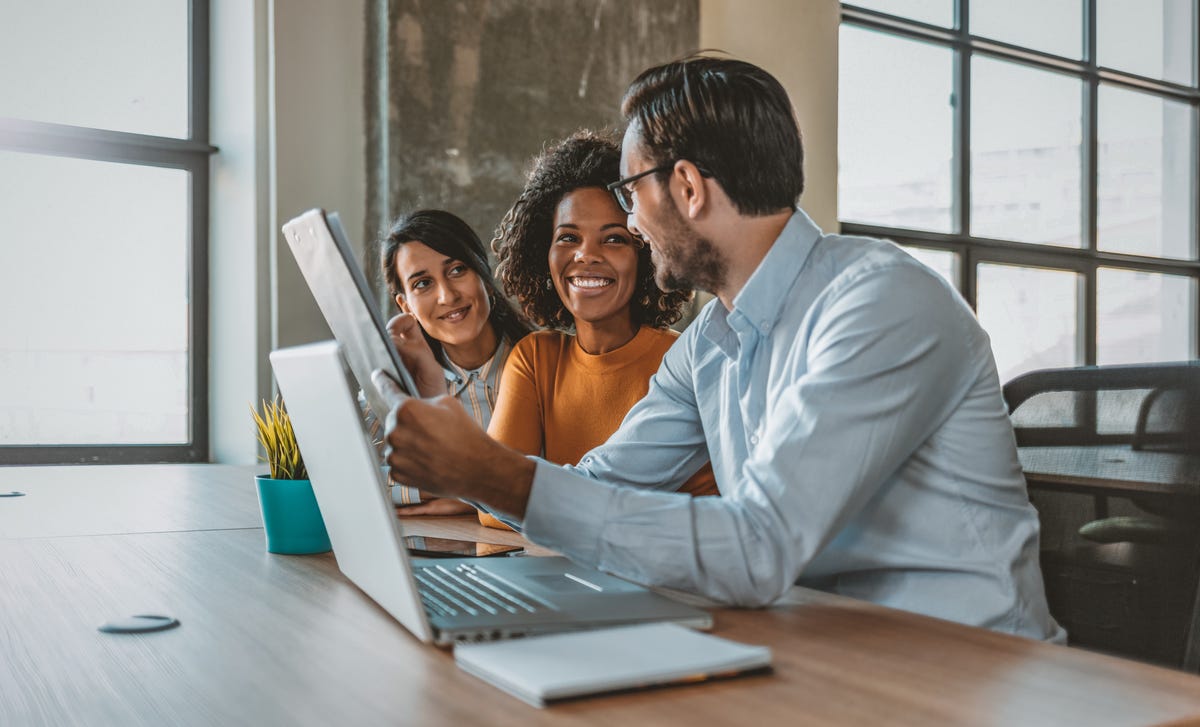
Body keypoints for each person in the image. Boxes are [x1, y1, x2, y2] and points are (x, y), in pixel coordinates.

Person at [376, 55, 1064, 641]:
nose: (631, 221)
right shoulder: (709, 341)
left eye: (628, 192)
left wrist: (493, 475)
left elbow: (757, 546)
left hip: (968, 666)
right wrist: (464, 450)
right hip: (820, 645)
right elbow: (592, 487)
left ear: (687, 187)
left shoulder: (881, 302)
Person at [476, 130, 718, 529]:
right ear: (543, 252)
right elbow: (492, 509)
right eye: (568, 237)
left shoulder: (682, 364)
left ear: (645, 253)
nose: (586, 255)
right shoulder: (536, 360)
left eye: (614, 239)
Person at [379, 209, 532, 515]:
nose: (447, 295)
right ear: (405, 306)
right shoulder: (402, 380)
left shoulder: (542, 366)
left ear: (484, 277)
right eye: (423, 283)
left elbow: (564, 479)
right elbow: (359, 480)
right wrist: (476, 494)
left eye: (458, 270)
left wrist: (460, 495)